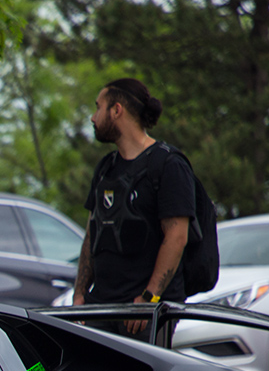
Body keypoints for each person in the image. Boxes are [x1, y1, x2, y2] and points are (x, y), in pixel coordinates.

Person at [72, 78, 196, 342]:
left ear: (117, 110)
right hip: (100, 308)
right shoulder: (106, 167)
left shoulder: (168, 165)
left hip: (144, 314)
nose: (93, 118)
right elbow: (92, 232)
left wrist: (148, 300)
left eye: (98, 107)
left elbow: (177, 237)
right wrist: (80, 294)